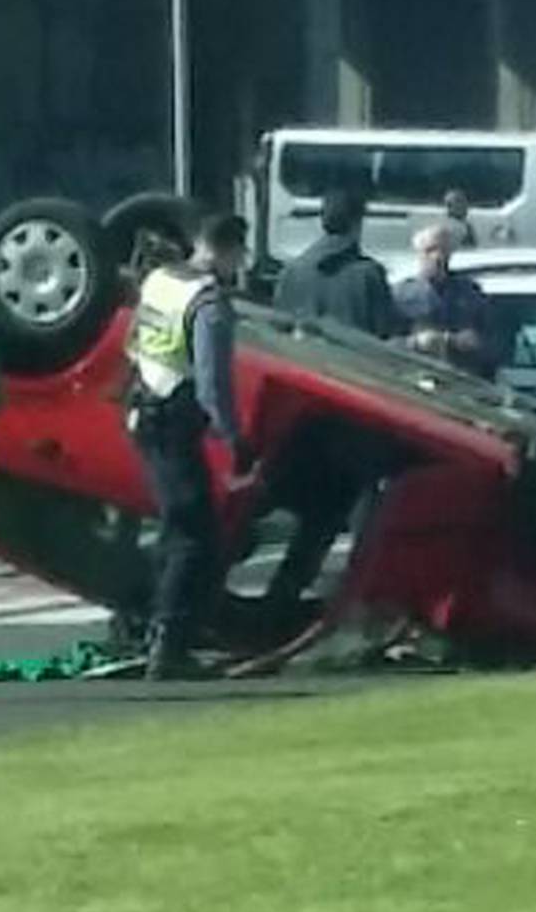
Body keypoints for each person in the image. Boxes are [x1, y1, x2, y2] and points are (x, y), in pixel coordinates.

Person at [126, 212, 253, 680]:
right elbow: (212, 383)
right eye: (240, 253)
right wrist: (234, 438)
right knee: (194, 535)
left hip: (143, 408)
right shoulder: (209, 303)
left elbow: (133, 340)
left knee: (174, 526)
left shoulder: (160, 280)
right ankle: (170, 643)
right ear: (227, 250)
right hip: (174, 420)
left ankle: (146, 625)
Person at [265, 185, 397, 612]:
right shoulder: (367, 276)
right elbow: (385, 345)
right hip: (357, 411)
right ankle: (363, 599)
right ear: (359, 222)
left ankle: (282, 594)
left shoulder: (292, 275)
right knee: (361, 510)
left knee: (311, 511)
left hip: (303, 412)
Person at [273, 185, 398, 336]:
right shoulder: (369, 275)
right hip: (353, 359)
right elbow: (385, 336)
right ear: (357, 221)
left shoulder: (290, 272)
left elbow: (279, 331)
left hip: (298, 358)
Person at [394, 222, 497, 379]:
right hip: (414, 379)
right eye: (430, 250)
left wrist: (460, 341)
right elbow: (380, 343)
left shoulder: (469, 293)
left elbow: (492, 342)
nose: (437, 257)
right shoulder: (400, 294)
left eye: (443, 250)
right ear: (418, 253)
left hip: (461, 380)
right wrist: (415, 342)